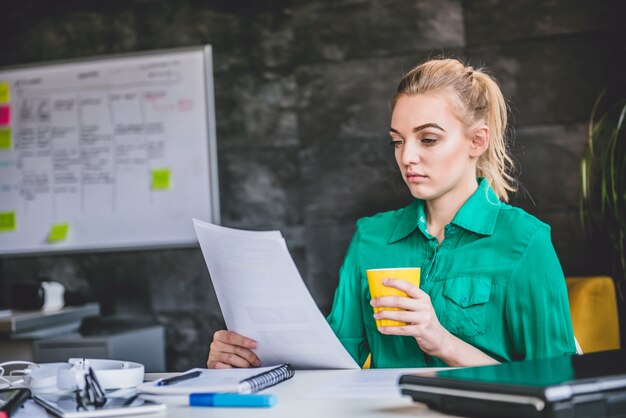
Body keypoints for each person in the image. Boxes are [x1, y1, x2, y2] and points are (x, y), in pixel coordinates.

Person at [206, 57, 577, 369]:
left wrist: (443, 342)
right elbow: (333, 365)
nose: (407, 157)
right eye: (398, 141)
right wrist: (247, 359)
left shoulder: (525, 241)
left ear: (476, 141)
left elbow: (559, 386)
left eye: (427, 139)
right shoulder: (371, 237)